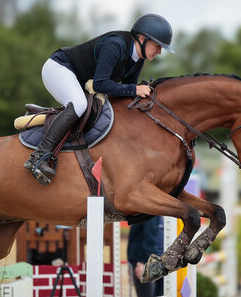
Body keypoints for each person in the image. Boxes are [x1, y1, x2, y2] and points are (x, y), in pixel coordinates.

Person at [24, 14, 174, 185]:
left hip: (78, 79)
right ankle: (39, 156)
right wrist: (135, 89)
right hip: (59, 68)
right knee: (79, 105)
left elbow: (127, 93)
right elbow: (101, 84)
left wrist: (138, 93)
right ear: (142, 39)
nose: (160, 51)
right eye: (158, 46)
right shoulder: (115, 45)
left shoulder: (137, 59)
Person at [127, 216, 164, 297]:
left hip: (158, 263)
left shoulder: (157, 215)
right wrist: (140, 263)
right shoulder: (150, 213)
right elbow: (148, 239)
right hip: (146, 264)